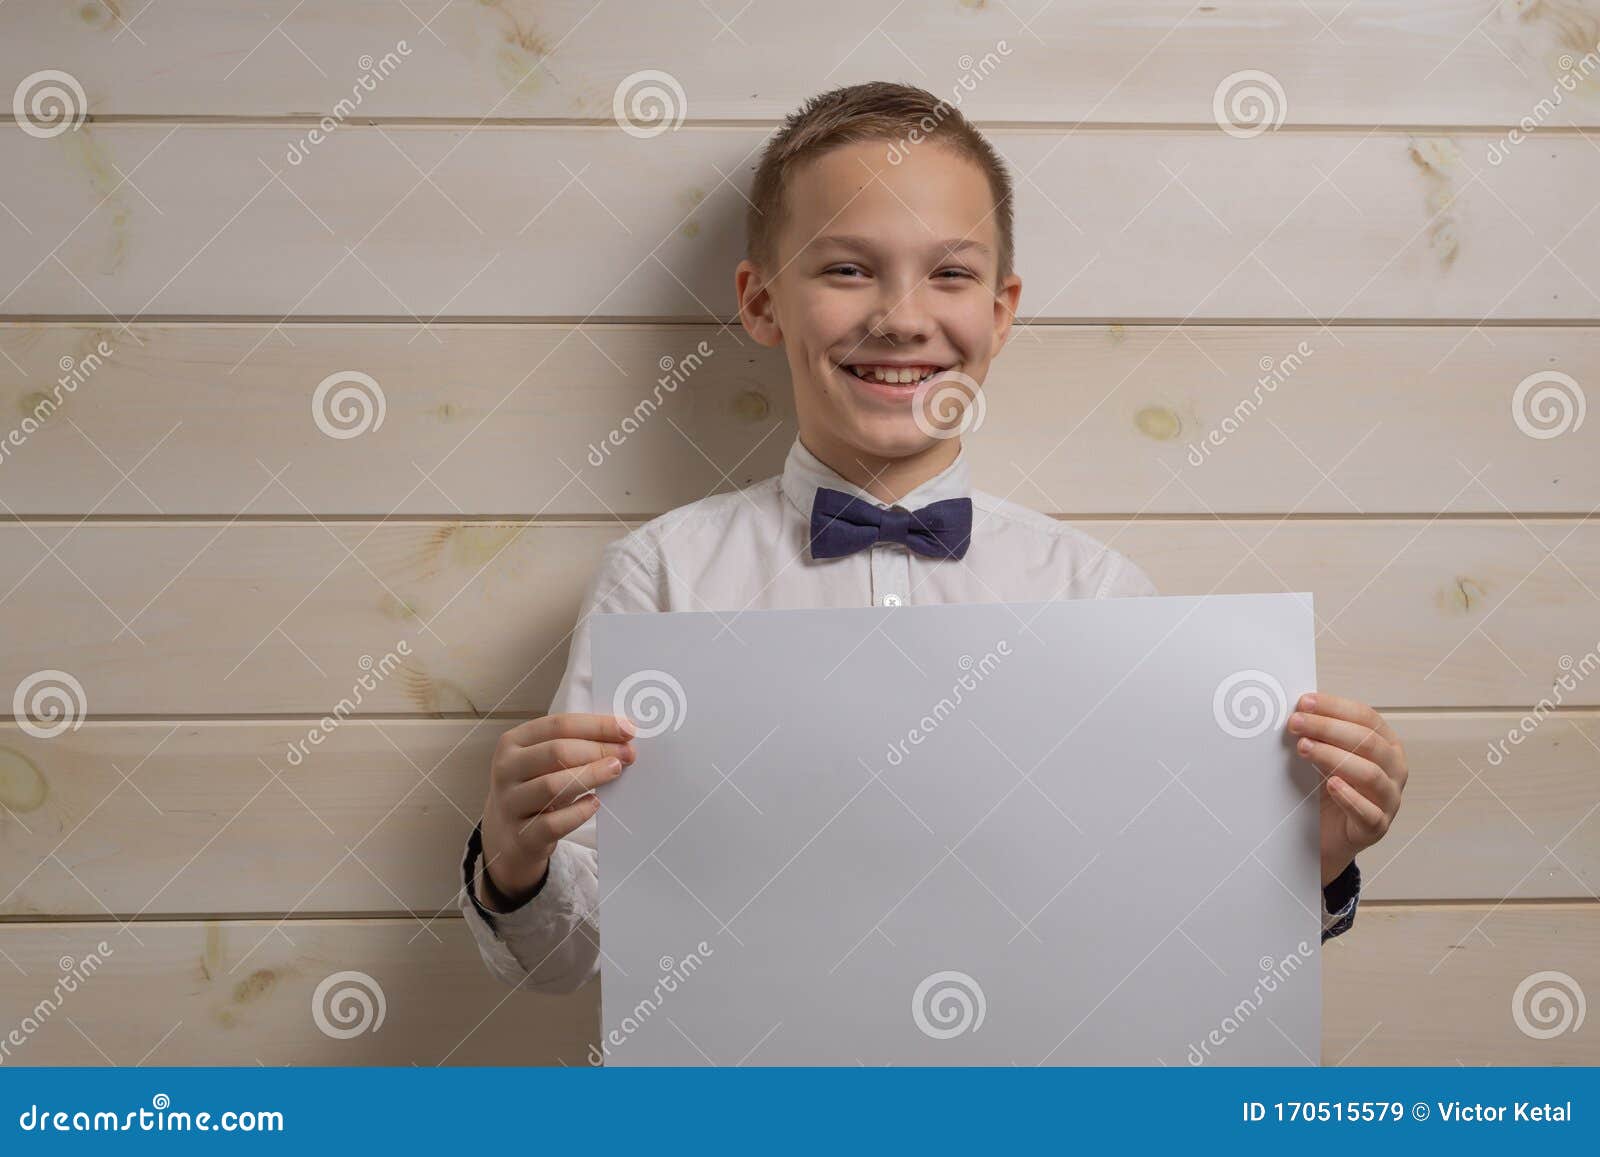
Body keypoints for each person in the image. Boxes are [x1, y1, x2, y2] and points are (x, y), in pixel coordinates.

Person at [458, 81, 1408, 994]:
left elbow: (1164, 938)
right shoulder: (662, 575)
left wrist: (1300, 862)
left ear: (999, 311)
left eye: (950, 273)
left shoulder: (1098, 595)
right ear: (760, 303)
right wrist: (517, 862)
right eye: (845, 267)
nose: (902, 316)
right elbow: (566, 962)